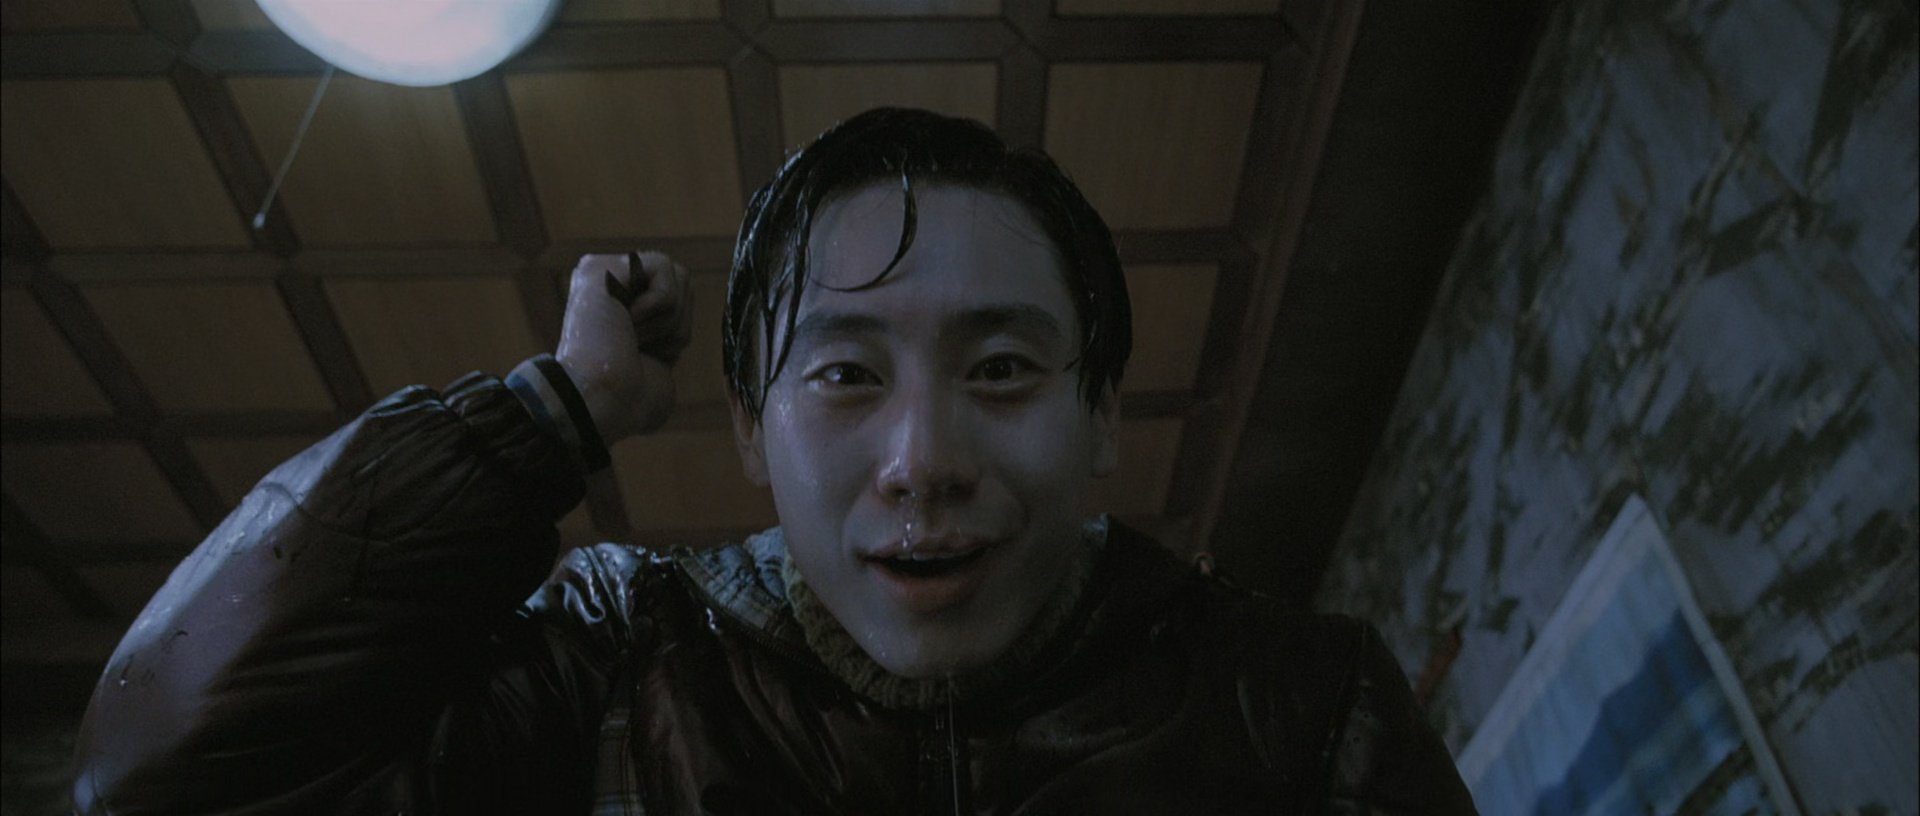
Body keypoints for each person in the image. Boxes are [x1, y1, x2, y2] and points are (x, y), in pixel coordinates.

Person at [69, 108, 1475, 814]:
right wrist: (554, 412)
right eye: (845, 375)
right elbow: (163, 784)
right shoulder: (622, 663)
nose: (921, 461)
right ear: (751, 428)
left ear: (1102, 414)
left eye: (1000, 370)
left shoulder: (1306, 713)